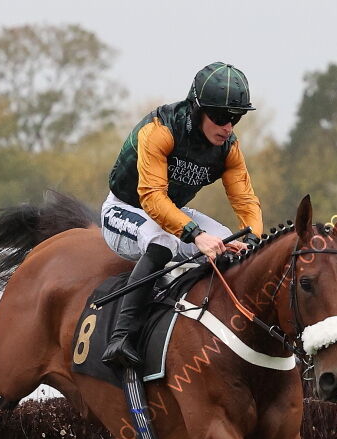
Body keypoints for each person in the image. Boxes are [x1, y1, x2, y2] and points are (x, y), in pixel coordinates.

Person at [100, 62, 264, 369]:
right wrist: (195, 235)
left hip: (171, 212)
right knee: (164, 241)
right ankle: (120, 339)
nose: (228, 126)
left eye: (236, 117)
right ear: (197, 109)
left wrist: (252, 237)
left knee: (231, 245)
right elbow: (151, 198)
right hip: (125, 209)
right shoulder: (159, 131)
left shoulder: (229, 147)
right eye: (220, 116)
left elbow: (246, 201)